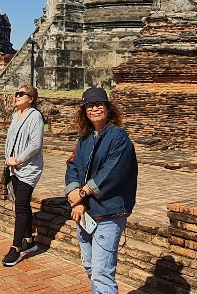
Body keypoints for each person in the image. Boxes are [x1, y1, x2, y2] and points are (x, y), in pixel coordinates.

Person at [64, 87, 137, 294]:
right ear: (84, 110)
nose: (95, 108)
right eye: (90, 105)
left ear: (108, 108)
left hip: (109, 212)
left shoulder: (118, 136)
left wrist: (83, 193)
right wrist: (76, 198)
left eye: (99, 104)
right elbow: (73, 166)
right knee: (90, 267)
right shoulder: (84, 139)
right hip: (85, 213)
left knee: (102, 273)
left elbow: (113, 171)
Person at [2, 84, 45, 266]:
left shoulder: (35, 116)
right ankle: (29, 240)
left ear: (31, 98)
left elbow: (35, 144)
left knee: (20, 206)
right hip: (13, 168)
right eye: (16, 93)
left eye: (22, 94)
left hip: (28, 168)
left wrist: (18, 159)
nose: (17, 96)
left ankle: (16, 248)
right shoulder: (15, 115)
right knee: (22, 203)